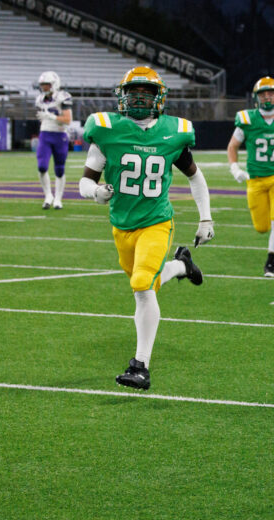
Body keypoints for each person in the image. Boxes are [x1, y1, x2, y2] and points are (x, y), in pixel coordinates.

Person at [79, 66, 215, 389]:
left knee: (141, 285)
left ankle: (140, 365)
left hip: (157, 221)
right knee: (147, 286)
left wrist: (205, 217)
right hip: (122, 225)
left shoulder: (173, 132)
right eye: (133, 92)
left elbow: (195, 175)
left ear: (159, 98)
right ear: (122, 97)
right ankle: (181, 265)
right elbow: (85, 181)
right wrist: (96, 193)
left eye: (147, 93)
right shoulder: (107, 130)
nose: (139, 98)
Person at [227, 77, 274, 278]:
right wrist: (234, 167)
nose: (267, 97)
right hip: (256, 180)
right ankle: (270, 254)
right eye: (263, 94)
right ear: (256, 97)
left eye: (270, 93)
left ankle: (271, 263)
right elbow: (232, 147)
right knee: (261, 228)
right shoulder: (247, 119)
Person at [34, 71, 73, 209]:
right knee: (42, 167)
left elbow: (68, 120)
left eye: (46, 85)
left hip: (59, 135)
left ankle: (58, 199)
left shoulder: (63, 97)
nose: (44, 87)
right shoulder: (39, 99)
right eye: (42, 85)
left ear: (54, 84)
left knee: (59, 169)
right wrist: (45, 118)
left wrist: (52, 117)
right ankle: (48, 195)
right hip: (45, 134)